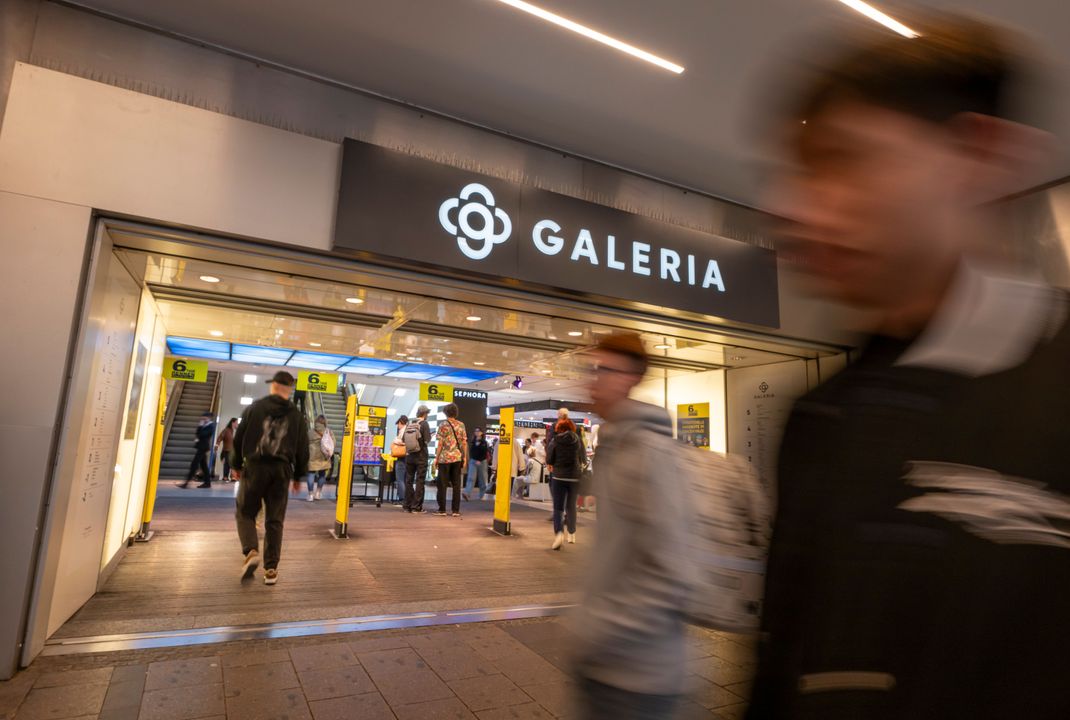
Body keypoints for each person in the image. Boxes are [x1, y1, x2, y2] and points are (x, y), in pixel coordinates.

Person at [750, 15, 1070, 720]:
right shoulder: (822, 415)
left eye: (844, 160)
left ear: (979, 155)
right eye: (801, 172)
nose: (793, 208)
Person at [571, 333, 691, 719]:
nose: (590, 380)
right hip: (608, 667)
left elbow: (675, 567)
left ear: (631, 378)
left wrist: (601, 631)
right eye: (587, 368)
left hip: (638, 677)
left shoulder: (650, 452)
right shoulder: (616, 443)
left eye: (601, 369)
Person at [231, 371, 309, 586]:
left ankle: (251, 550)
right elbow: (303, 447)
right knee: (275, 520)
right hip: (281, 470)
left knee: (245, 511)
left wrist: (236, 464)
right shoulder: (296, 415)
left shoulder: (255, 408)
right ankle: (271, 569)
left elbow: (239, 438)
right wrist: (299, 475)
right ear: (290, 389)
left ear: (274, 385)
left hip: (255, 467)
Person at [545, 417, 582, 550]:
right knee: (571, 506)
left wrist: (551, 464)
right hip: (574, 477)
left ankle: (559, 533)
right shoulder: (578, 440)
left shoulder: (555, 440)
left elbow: (549, 458)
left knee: (558, 508)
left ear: (559, 429)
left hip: (559, 477)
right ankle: (572, 533)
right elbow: (582, 456)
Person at [434, 403, 468, 516]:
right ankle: (455, 510)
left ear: (445, 412)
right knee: (456, 484)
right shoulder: (461, 425)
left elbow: (440, 444)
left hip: (445, 459)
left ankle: (442, 509)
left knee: (442, 484)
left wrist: (436, 458)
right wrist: (465, 457)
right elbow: (464, 442)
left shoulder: (443, 424)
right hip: (457, 458)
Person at [402, 405, 432, 514]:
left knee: (408, 481)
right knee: (420, 481)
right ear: (425, 414)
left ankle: (407, 506)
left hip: (410, 456)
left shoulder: (410, 423)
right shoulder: (424, 424)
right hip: (421, 457)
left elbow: (403, 439)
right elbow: (427, 440)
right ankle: (416, 507)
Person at [178, 411, 215, 488]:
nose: (202, 419)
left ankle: (186, 483)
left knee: (194, 464)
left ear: (208, 418)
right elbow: (197, 434)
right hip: (201, 447)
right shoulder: (204, 425)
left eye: (204, 418)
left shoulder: (211, 426)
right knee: (204, 466)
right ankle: (207, 483)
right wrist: (200, 426)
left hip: (203, 447)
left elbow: (202, 434)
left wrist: (201, 426)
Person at [306, 415, 332, 501]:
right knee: (322, 475)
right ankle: (318, 493)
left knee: (310, 474)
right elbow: (333, 443)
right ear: (325, 422)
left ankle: (310, 495)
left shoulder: (310, 432)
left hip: (312, 456)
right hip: (323, 456)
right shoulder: (328, 432)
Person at [463, 427, 489, 501]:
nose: (477, 432)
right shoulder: (472, 442)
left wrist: (479, 460)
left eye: (478, 431)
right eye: (476, 431)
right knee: (471, 478)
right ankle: (467, 493)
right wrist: (472, 459)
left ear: (481, 433)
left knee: (482, 479)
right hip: (473, 461)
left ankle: (482, 495)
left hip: (482, 462)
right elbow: (471, 452)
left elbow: (485, 453)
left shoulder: (484, 442)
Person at [392, 415, 409, 505]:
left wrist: (396, 441)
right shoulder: (410, 430)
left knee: (400, 479)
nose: (398, 426)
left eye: (398, 424)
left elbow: (402, 443)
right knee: (405, 479)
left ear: (400, 423)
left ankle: (402, 499)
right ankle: (404, 498)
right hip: (408, 458)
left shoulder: (403, 431)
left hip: (401, 457)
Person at [215, 417, 238, 484]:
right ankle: (226, 476)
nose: (237, 424)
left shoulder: (234, 431)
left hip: (234, 451)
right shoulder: (226, 430)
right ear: (232, 423)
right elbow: (220, 438)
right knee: (228, 463)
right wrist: (217, 445)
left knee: (233, 463)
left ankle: (232, 477)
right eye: (236, 423)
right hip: (227, 450)